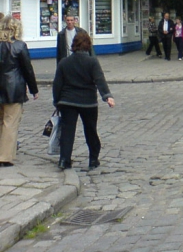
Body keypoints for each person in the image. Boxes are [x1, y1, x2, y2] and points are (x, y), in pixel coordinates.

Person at [53, 31, 114, 170]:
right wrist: (107, 96)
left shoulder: (64, 62)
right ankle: (93, 159)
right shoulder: (92, 62)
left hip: (67, 101)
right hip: (88, 102)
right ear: (88, 45)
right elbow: (99, 80)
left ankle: (64, 160)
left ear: (74, 45)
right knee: (90, 130)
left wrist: (57, 101)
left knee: (68, 132)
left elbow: (57, 84)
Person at [0, 17, 39, 167]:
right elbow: (27, 69)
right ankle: (4, 156)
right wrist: (34, 89)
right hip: (13, 88)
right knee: (10, 122)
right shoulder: (19, 46)